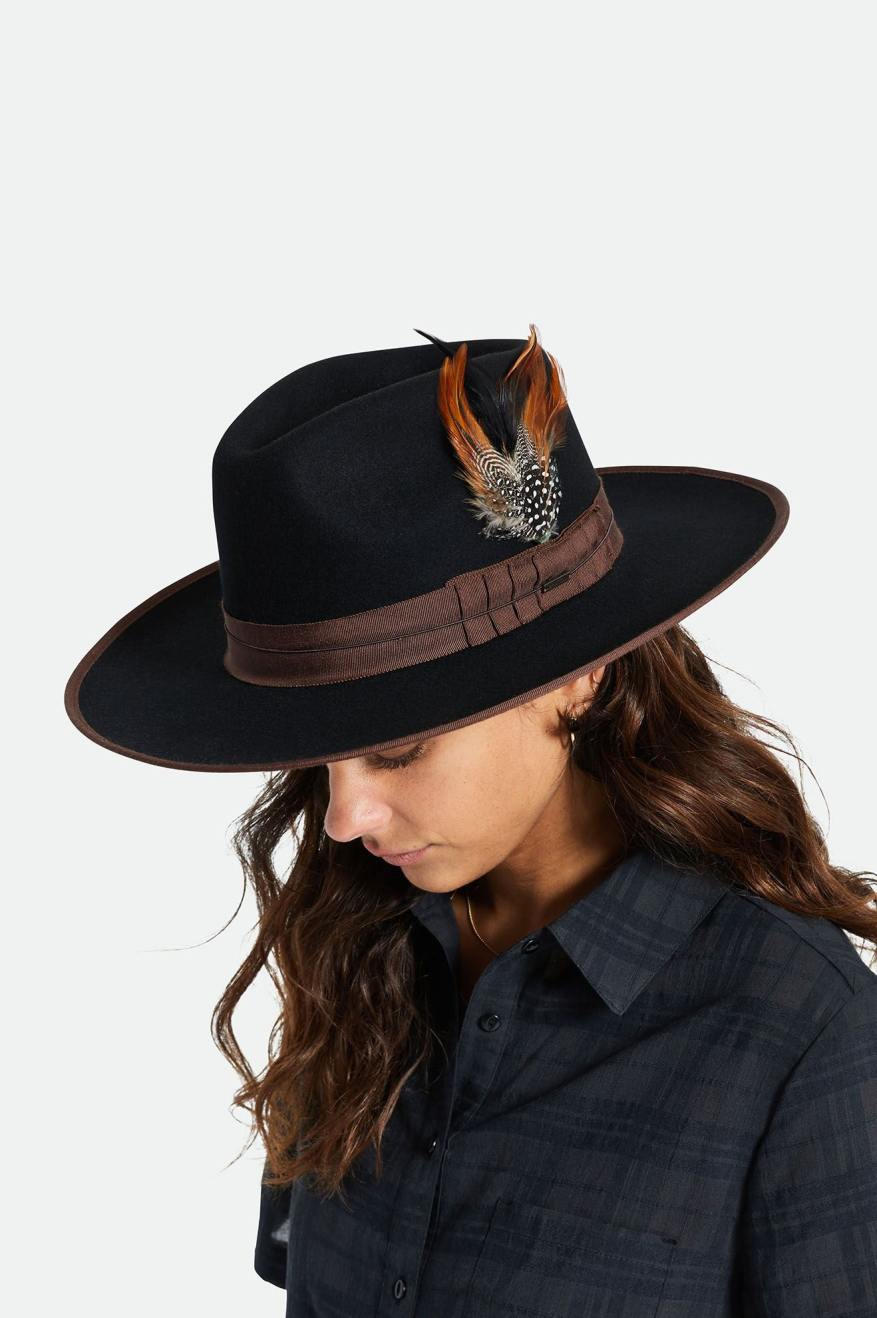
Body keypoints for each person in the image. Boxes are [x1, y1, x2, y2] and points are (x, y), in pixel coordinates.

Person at [64, 326, 877, 1316]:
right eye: (316, 755)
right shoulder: (358, 942)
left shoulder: (799, 1031)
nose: (344, 817)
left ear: (579, 675)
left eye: (399, 747)